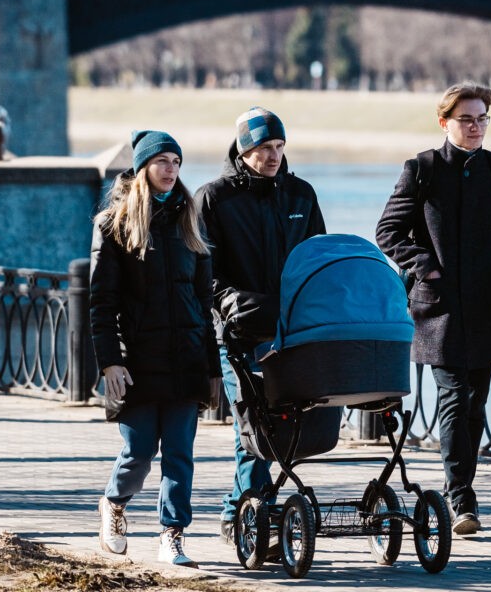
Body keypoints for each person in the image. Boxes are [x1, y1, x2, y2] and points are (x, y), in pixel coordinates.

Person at [375, 82, 491, 536]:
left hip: (486, 306)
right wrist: (425, 267)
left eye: (483, 118)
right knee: (454, 398)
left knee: (475, 405)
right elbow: (388, 232)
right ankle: (461, 498)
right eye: (467, 119)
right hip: (439, 310)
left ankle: (459, 487)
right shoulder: (423, 169)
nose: (476, 127)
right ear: (445, 122)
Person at [196, 106, 326, 544]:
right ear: (243, 148)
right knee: (252, 430)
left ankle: (244, 514)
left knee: (281, 430)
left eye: (278, 146)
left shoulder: (301, 196)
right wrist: (231, 303)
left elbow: (317, 261)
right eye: (263, 148)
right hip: (238, 334)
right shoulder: (214, 198)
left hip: (292, 334)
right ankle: (248, 521)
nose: (273, 156)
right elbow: (203, 272)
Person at [90, 129, 219, 567]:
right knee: (139, 453)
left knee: (180, 456)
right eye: (162, 161)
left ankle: (172, 535)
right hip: (138, 362)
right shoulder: (114, 223)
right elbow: (101, 303)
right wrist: (109, 361)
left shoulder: (190, 220)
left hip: (186, 360)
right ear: (143, 166)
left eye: (177, 162)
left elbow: (204, 303)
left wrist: (213, 366)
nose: (171, 170)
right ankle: (114, 503)